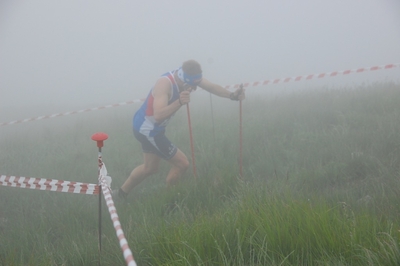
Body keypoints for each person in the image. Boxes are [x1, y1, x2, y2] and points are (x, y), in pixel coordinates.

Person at [113, 59, 245, 200]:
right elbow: (158, 115)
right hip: (148, 129)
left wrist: (232, 95)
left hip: (148, 128)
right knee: (182, 164)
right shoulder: (164, 84)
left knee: (150, 168)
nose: (194, 89)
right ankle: (171, 200)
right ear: (183, 80)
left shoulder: (189, 76)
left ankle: (120, 194)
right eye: (192, 87)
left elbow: (211, 87)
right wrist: (180, 102)